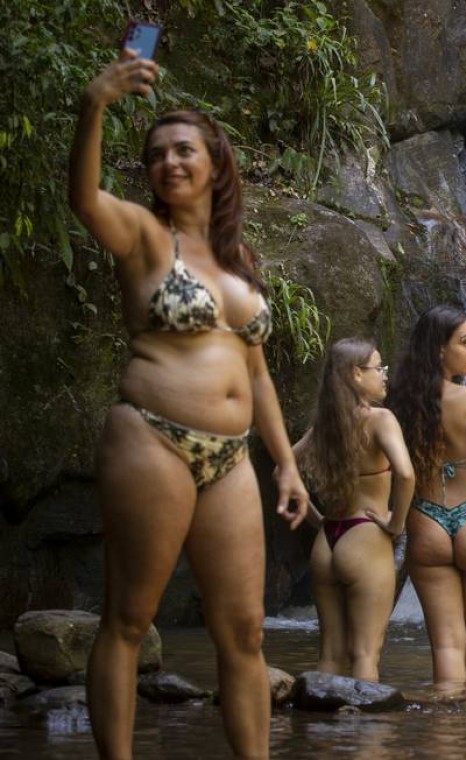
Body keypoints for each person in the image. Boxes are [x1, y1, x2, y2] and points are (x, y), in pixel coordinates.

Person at [69, 50, 309, 758]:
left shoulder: (239, 259)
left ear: (215, 163)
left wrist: (286, 464)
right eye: (155, 156)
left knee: (246, 633)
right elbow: (83, 199)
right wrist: (95, 106)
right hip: (152, 435)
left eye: (183, 150)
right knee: (129, 618)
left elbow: (257, 372)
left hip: (233, 456)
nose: (168, 163)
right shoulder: (146, 238)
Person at [388, 306, 466, 690]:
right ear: (439, 351)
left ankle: (443, 731)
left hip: (425, 518)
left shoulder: (399, 403)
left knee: (445, 645)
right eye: (465, 341)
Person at [293, 339, 415, 682]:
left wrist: (317, 521)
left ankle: (326, 736)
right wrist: (395, 524)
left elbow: (281, 471)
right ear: (356, 375)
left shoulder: (327, 425)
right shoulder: (380, 419)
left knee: (330, 654)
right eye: (379, 368)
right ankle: (365, 736)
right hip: (366, 538)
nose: (385, 376)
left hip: (327, 542)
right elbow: (405, 473)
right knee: (365, 654)